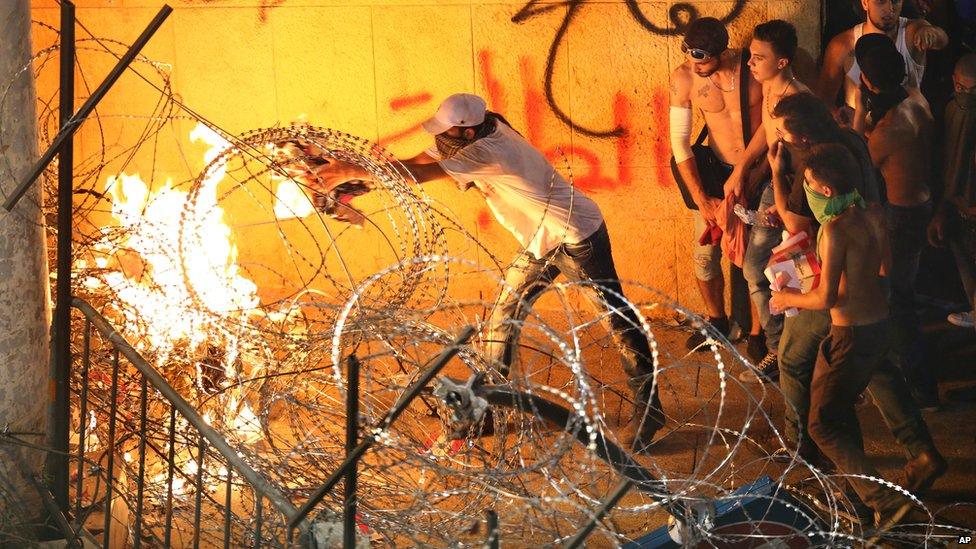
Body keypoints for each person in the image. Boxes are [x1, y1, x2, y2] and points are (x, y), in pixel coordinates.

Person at [304, 93, 664, 452]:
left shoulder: (490, 151)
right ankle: (484, 407)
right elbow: (414, 163)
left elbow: (417, 173)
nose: (439, 140)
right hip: (541, 240)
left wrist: (350, 170)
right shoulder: (478, 133)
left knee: (615, 320)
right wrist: (358, 179)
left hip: (576, 235)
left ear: (469, 132)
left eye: (447, 134)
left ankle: (650, 412)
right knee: (505, 315)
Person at [768, 93, 946, 495]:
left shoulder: (816, 167)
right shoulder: (853, 143)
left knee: (799, 366)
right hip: (873, 287)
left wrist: (779, 176)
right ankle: (921, 451)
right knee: (877, 365)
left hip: (841, 285)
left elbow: (796, 221)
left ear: (803, 135)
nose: (779, 138)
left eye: (783, 132)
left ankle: (821, 458)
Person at [856, 34, 941, 409]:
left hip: (901, 216)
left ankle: (922, 387)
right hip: (925, 203)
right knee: (903, 293)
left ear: (868, 82)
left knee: (896, 301)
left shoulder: (888, 129)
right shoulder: (917, 99)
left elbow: (862, 161)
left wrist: (858, 113)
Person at [669, 17, 763, 350]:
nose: (696, 65)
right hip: (716, 173)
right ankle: (717, 321)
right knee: (704, 253)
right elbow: (680, 141)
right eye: (691, 56)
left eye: (703, 58)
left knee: (756, 256)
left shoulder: (751, 69)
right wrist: (701, 199)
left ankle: (758, 333)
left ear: (721, 53)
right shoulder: (684, 77)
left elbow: (773, 124)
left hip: (757, 171)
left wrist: (753, 174)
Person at [726, 20, 811, 383]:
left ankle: (786, 353)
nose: (750, 64)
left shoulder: (795, 101)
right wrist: (742, 170)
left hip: (793, 197)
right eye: (750, 57)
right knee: (764, 270)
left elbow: (809, 160)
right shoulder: (771, 90)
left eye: (759, 58)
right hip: (772, 189)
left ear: (782, 62)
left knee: (777, 272)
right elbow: (767, 130)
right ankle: (785, 351)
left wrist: (786, 206)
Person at [817, 0, 948, 124]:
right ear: (864, 2)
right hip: (862, 139)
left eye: (895, 1)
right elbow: (825, 99)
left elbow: (941, 38)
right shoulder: (843, 46)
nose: (889, 8)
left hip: (905, 132)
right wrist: (841, 119)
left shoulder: (911, 32)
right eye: (880, 1)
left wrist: (931, 33)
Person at [928, 53, 976, 330]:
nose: (966, 96)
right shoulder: (951, 110)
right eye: (961, 89)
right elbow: (949, 160)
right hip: (956, 206)